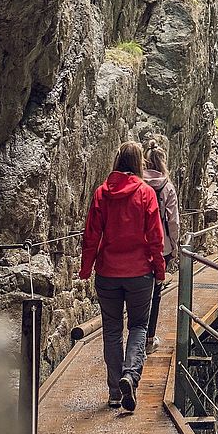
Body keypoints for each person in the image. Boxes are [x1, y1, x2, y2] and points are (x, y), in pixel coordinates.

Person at [79, 141, 166, 412]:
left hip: (107, 273)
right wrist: (160, 270)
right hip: (140, 273)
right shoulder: (146, 193)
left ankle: (116, 391)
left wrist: (85, 268)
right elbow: (155, 236)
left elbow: (91, 235)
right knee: (138, 327)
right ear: (139, 162)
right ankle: (130, 375)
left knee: (112, 331)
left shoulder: (101, 194)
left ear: (117, 161)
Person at [142, 139, 180, 355]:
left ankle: (135, 336)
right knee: (156, 293)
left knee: (139, 291)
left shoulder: (139, 184)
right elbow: (173, 221)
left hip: (140, 246)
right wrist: (174, 246)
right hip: (162, 247)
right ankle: (148, 339)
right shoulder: (167, 187)